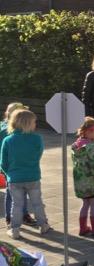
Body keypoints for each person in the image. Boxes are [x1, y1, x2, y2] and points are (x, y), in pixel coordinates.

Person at [0, 110, 51, 240]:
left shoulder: (8, 140)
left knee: (16, 205)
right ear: (28, 123)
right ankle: (43, 225)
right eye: (34, 122)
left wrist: (9, 174)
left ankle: (15, 229)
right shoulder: (37, 138)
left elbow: (3, 162)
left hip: (14, 178)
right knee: (37, 203)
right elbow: (38, 155)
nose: (35, 124)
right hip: (33, 176)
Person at [1, 103, 36, 228]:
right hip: (10, 167)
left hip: (22, 167)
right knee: (11, 193)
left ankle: (23, 214)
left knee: (23, 191)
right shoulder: (5, 130)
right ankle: (10, 218)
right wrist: (5, 170)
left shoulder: (21, 129)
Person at [72, 117, 94, 236]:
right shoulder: (91, 148)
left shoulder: (76, 146)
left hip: (80, 183)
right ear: (89, 132)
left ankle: (83, 228)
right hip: (92, 183)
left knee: (85, 204)